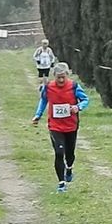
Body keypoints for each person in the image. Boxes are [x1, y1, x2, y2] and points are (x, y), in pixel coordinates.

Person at [32, 62, 90, 193]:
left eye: (63, 77)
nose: (61, 80)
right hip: (55, 126)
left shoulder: (74, 86)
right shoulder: (48, 87)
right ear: (54, 76)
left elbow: (85, 100)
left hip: (71, 125)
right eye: (58, 77)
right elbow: (43, 101)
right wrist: (37, 115)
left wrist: (78, 107)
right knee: (59, 153)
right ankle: (61, 183)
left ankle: (69, 168)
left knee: (70, 154)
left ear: (67, 76)